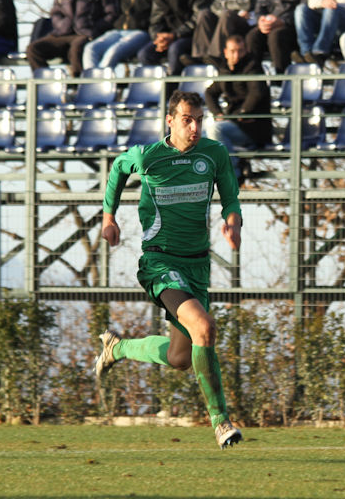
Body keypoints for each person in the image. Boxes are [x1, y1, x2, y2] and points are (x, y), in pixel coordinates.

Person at [96, 90, 243, 450]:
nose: (194, 127)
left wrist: (233, 221)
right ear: (171, 121)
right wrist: (109, 216)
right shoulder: (149, 157)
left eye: (199, 120)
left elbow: (230, 197)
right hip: (160, 261)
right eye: (187, 120)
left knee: (180, 357)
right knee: (204, 328)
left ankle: (119, 348)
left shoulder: (214, 154)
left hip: (197, 265)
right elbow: (117, 168)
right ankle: (221, 422)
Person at [205, 35, 271, 181]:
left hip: (253, 128)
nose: (237, 55)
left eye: (240, 51)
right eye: (233, 51)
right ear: (226, 52)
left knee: (215, 129)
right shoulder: (224, 70)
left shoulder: (253, 67)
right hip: (232, 123)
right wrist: (217, 113)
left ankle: (234, 175)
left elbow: (257, 92)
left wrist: (244, 112)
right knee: (198, 133)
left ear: (246, 50)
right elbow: (210, 93)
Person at [137, 0, 213, 76]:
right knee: (144, 54)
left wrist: (175, 35)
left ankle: (173, 90)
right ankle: (158, 89)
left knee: (175, 49)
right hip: (168, 39)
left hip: (191, 38)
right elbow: (155, 22)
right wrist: (159, 38)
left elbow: (198, 19)